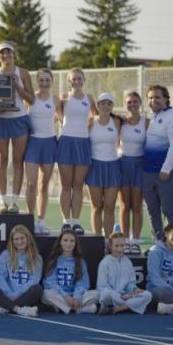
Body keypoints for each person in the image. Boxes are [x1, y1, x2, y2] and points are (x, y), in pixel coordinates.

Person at [0, 42, 35, 215]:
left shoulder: (23, 73)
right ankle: (2, 202)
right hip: (0, 122)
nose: (5, 55)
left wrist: (17, 86)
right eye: (2, 52)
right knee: (2, 160)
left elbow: (31, 99)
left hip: (19, 120)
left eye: (8, 52)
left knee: (17, 161)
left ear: (14, 54)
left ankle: (14, 202)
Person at [142, 84, 173, 242]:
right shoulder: (152, 118)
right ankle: (159, 242)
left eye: (157, 97)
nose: (153, 101)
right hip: (148, 172)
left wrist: (166, 169)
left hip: (165, 173)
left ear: (166, 99)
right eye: (150, 98)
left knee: (168, 209)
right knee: (152, 210)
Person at [56, 68, 97, 229]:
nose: (77, 81)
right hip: (66, 142)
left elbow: (96, 115)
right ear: (69, 81)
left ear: (83, 80)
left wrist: (88, 126)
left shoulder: (89, 98)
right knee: (66, 185)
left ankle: (76, 221)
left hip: (83, 143)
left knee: (78, 185)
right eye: (74, 79)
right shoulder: (64, 97)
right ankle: (66, 221)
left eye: (79, 78)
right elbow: (58, 115)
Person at [23, 68, 61, 235]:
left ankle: (41, 221)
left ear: (52, 81)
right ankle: (29, 218)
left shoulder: (56, 100)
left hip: (49, 143)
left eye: (47, 80)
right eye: (41, 80)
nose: (44, 83)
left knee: (44, 184)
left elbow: (63, 118)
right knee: (31, 183)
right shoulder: (30, 98)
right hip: (32, 142)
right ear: (37, 81)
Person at [0, 224, 43, 317]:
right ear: (12, 241)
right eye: (16, 239)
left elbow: (34, 280)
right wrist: (8, 293)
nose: (19, 242)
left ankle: (4, 308)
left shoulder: (36, 258)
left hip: (24, 295)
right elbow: (0, 278)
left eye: (22, 238)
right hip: (7, 294)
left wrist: (17, 294)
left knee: (38, 289)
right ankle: (19, 310)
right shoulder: (5, 255)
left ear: (28, 238)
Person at [86, 94, 123, 237]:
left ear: (112, 106)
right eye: (102, 103)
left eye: (109, 103)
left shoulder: (117, 122)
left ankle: (108, 240)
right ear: (98, 105)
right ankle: (96, 239)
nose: (105, 106)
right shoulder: (90, 121)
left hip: (112, 167)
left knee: (109, 207)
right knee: (96, 206)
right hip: (94, 167)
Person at [116, 90, 147, 254]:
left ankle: (135, 240)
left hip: (140, 165)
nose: (132, 104)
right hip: (123, 164)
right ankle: (125, 241)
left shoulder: (146, 122)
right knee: (124, 205)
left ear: (140, 103)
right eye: (129, 102)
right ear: (125, 104)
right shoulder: (120, 122)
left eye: (135, 101)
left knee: (137, 205)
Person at [41, 227, 99, 314]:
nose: (68, 244)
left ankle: (65, 307)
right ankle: (78, 309)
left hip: (76, 296)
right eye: (65, 240)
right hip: (61, 295)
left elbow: (83, 283)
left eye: (72, 241)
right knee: (45, 294)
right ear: (60, 242)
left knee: (96, 294)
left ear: (75, 243)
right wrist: (65, 296)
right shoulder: (54, 260)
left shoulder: (80, 262)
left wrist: (77, 296)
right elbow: (50, 282)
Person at [96, 231, 152, 315]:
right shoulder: (104, 263)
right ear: (110, 246)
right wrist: (121, 296)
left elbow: (130, 283)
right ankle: (131, 305)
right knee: (106, 294)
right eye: (116, 246)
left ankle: (117, 309)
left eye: (122, 245)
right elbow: (102, 287)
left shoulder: (127, 262)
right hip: (113, 296)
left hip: (126, 296)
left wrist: (134, 289)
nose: (120, 249)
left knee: (147, 295)